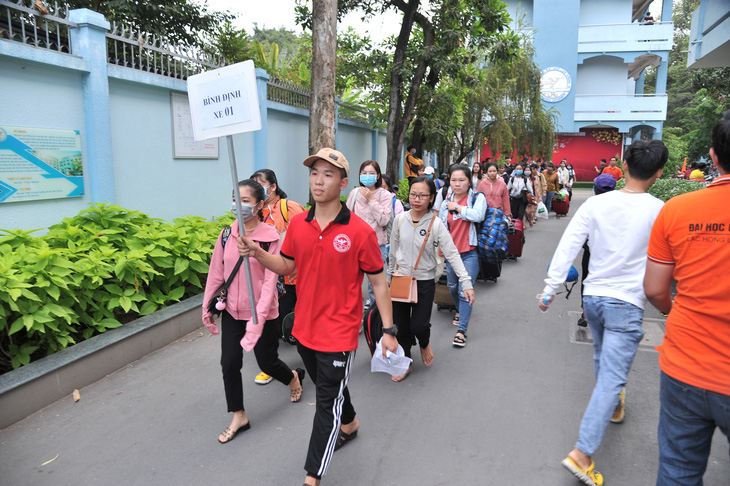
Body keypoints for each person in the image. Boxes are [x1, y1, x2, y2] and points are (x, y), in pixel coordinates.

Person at [237, 148, 398, 486]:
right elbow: (287, 266)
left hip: (340, 331)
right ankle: (351, 422)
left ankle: (313, 476)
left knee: (326, 402)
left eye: (328, 174)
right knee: (332, 389)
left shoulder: (359, 232)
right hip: (303, 328)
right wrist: (257, 253)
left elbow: (380, 284)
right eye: (314, 173)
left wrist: (388, 329)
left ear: (343, 182)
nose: (319, 180)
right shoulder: (298, 224)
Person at [538, 139, 668, 486]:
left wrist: (550, 288)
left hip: (593, 299)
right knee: (611, 376)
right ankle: (582, 453)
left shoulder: (597, 204)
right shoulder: (661, 210)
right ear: (659, 172)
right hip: (626, 304)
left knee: (601, 356)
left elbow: (569, 243)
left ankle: (611, 405)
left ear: (623, 166)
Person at [643, 111, 730, 486]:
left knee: (678, 471)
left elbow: (656, 290)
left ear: (712, 156)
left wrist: (675, 311)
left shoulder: (677, 210)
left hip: (684, 363)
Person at [202, 179, 306, 444]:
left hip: (262, 314)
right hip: (232, 312)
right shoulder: (227, 234)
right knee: (229, 364)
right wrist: (206, 309)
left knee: (267, 363)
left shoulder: (271, 238)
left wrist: (256, 324)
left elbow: (271, 284)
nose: (238, 204)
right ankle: (239, 415)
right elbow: (217, 273)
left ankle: (292, 378)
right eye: (235, 198)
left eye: (245, 200)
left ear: (259, 204)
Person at [388, 176, 475, 380]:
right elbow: (393, 251)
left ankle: (424, 343)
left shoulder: (436, 224)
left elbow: (452, 254)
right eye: (413, 194)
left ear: (431, 198)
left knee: (419, 325)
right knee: (400, 325)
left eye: (422, 195)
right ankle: (405, 362)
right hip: (400, 279)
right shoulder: (401, 220)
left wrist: (466, 282)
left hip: (424, 281)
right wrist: (390, 276)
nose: (417, 199)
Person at [250, 168, 306, 386]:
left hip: (299, 277)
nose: (257, 188)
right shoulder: (254, 212)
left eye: (260, 184)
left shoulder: (289, 208)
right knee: (273, 323)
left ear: (273, 186)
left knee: (301, 319)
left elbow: (309, 234)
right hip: (272, 282)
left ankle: (317, 357)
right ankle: (270, 365)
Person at [439, 164, 486, 347]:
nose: (457, 184)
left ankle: (462, 331)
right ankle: (460, 309)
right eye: (453, 180)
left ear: (469, 181)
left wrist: (458, 208)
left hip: (470, 253)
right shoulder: (446, 201)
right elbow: (442, 226)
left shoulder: (476, 198)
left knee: (464, 290)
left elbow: (478, 216)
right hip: (452, 254)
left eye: (462, 180)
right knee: (451, 286)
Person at [346, 160, 392, 306]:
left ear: (378, 176)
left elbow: (384, 220)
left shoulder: (384, 195)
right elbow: (347, 217)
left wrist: (371, 200)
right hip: (355, 245)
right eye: (364, 173)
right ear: (359, 175)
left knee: (375, 286)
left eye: (371, 173)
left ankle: (375, 319)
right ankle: (356, 318)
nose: (367, 176)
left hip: (376, 245)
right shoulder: (354, 193)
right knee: (352, 283)